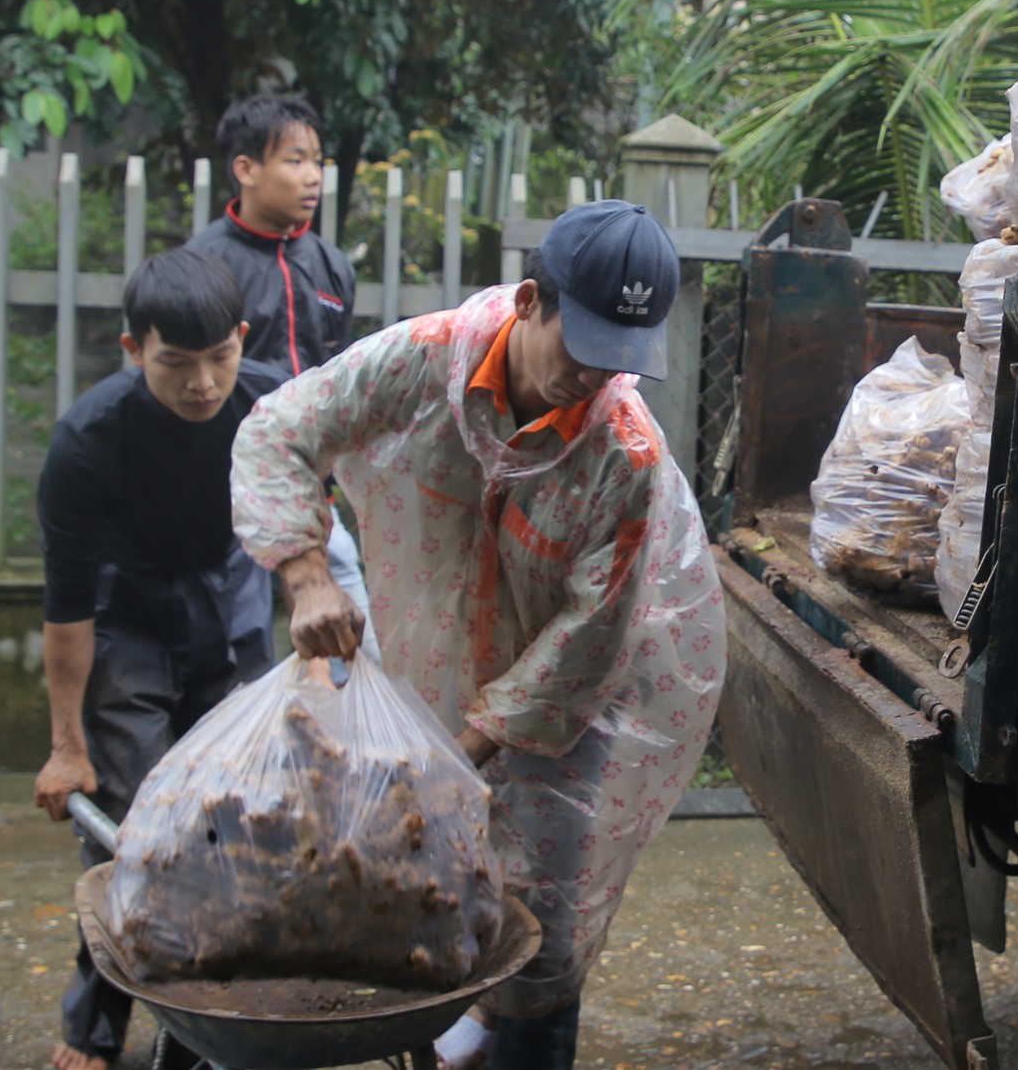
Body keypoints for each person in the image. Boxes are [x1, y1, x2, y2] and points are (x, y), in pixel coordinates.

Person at [230, 200, 725, 1070]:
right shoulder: (421, 363)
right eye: (582, 345)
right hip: (434, 661)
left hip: (565, 708)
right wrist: (306, 574)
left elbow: (587, 641)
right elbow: (278, 432)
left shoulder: (625, 457)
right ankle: (461, 1034)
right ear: (531, 299)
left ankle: (516, 1035)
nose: (594, 377)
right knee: (425, 889)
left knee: (542, 933)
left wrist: (458, 754)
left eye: (621, 355)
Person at [33, 250, 284, 1070]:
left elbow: (312, 516)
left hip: (231, 599)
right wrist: (68, 744)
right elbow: (67, 612)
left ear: (242, 337)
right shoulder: (87, 442)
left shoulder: (271, 405)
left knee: (236, 817)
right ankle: (97, 1026)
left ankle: (208, 1019)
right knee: (135, 828)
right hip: (127, 615)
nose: (204, 382)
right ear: (133, 349)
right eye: (177, 362)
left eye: (219, 355)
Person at [187, 93, 373, 624]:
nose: (312, 176)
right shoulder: (206, 264)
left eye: (317, 161)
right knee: (236, 639)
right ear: (245, 168)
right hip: (223, 491)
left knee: (352, 636)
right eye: (295, 160)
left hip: (311, 488)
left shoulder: (330, 265)